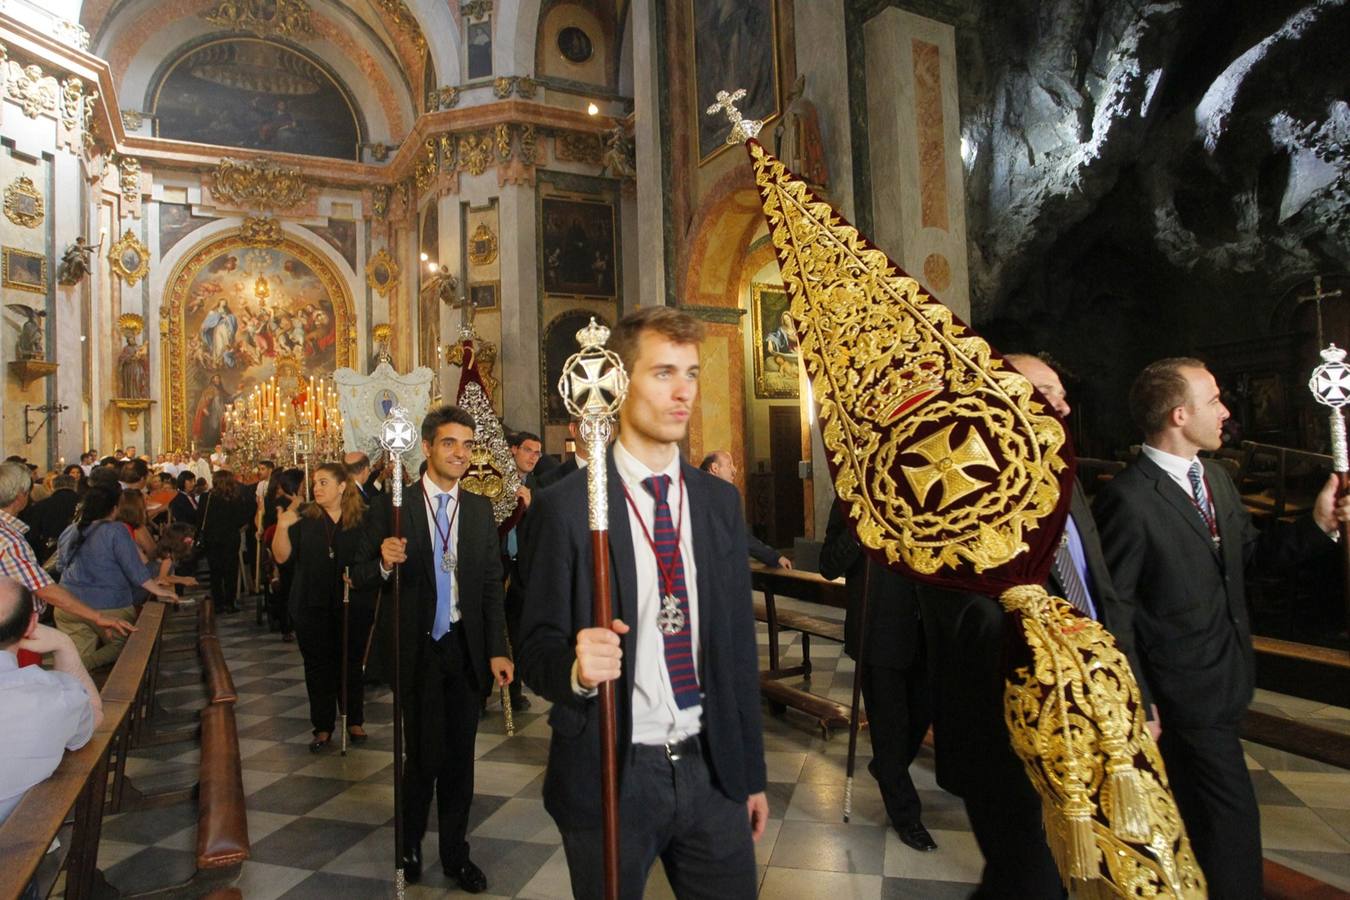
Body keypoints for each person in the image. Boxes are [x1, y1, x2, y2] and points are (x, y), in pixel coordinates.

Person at [517, 307, 768, 898]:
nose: (684, 391)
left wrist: (750, 773)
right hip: (614, 771)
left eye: (691, 372)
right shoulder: (569, 508)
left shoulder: (716, 504)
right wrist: (576, 669)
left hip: (711, 770)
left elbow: (734, 650)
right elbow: (534, 647)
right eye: (663, 373)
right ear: (619, 383)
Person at [1093, 357, 1350, 899]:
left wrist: (1319, 525)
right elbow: (1116, 611)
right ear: (1180, 415)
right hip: (1181, 691)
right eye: (1214, 400)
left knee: (1199, 823)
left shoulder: (1213, 479)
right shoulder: (1130, 499)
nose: (1226, 411)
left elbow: (1250, 558)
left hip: (1227, 674)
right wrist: (1140, 700)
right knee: (1233, 828)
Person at [915, 352, 1151, 898]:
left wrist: (1135, 693)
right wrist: (1037, 623)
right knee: (1030, 879)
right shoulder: (963, 491)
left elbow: (1103, 598)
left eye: (1064, 394)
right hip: (1009, 728)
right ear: (1003, 398)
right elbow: (961, 612)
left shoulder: (1066, 479)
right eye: (1048, 391)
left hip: (1096, 718)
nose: (1064, 405)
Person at [374, 405, 514, 892]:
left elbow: (491, 585)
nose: (460, 453)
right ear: (428, 447)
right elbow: (365, 569)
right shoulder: (399, 504)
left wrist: (498, 648)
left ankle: (455, 853)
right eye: (450, 443)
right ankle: (409, 846)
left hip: (464, 646)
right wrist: (385, 563)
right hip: (419, 648)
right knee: (424, 757)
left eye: (468, 445)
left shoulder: (477, 510)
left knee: (460, 758)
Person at [819, 499, 935, 851]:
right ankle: (906, 815)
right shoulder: (851, 499)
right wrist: (858, 531)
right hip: (879, 632)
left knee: (922, 714)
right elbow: (828, 565)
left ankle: (888, 767)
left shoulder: (925, 496)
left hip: (924, 631)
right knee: (890, 727)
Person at [273, 463, 383, 751]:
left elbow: (372, 558)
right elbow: (282, 558)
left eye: (324, 483)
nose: (316, 488)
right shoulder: (304, 518)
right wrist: (282, 528)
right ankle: (322, 726)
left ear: (342, 487)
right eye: (316, 483)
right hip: (312, 603)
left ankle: (354, 719)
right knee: (318, 666)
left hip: (352, 602)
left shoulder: (362, 519)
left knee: (351, 663)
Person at [0, 462, 135, 649]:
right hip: (11, 630)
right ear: (21, 495)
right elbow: (42, 587)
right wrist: (97, 617)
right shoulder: (8, 540)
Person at [0, 577, 101, 827]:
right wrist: (64, 645)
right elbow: (94, 717)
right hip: (15, 847)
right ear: (32, 624)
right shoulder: (53, 696)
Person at [56, 486, 177, 669]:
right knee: (127, 645)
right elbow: (134, 569)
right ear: (114, 508)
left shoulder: (71, 529)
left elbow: (60, 565)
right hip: (109, 605)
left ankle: (77, 683)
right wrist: (159, 589)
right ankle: (77, 667)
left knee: (78, 654)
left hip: (68, 604)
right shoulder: (115, 530)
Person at [501, 431, 544, 711]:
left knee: (517, 633)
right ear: (514, 450)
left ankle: (514, 692)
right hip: (498, 564)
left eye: (537, 453)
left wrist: (531, 506)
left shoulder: (540, 488)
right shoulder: (496, 482)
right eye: (528, 450)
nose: (532, 457)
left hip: (523, 570)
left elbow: (545, 528)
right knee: (492, 629)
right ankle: (481, 691)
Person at [699, 450, 792, 568]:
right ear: (715, 468)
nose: (734, 470)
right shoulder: (713, 498)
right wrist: (774, 557)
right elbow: (740, 537)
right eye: (729, 465)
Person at [198, 470, 256, 613]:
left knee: (215, 571)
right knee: (231, 571)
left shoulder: (206, 497)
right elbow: (243, 519)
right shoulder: (235, 498)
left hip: (212, 538)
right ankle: (229, 602)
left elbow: (199, 518)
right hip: (230, 538)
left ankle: (217, 602)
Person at [22, 473, 78, 562]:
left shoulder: (40, 506)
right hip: (77, 553)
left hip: (47, 554)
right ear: (75, 486)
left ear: (53, 486)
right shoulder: (85, 503)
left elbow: (33, 535)